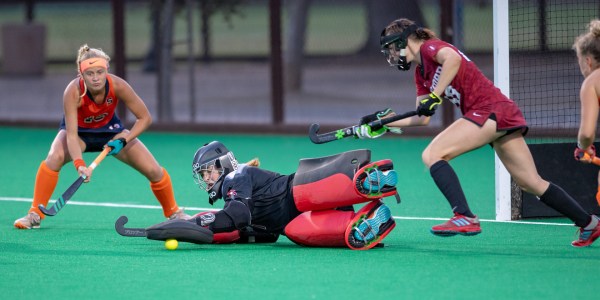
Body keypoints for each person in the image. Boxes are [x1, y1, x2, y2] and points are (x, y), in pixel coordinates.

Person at [355, 18, 600, 247]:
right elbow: (423, 117)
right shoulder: (421, 73)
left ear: (404, 41)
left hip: (489, 110)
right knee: (531, 183)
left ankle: (464, 216)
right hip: (499, 113)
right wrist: (386, 123)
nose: (392, 55)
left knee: (433, 154)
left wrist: (434, 95)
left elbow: (453, 60)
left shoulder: (431, 48)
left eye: (392, 48)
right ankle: (589, 223)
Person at [14, 44, 190, 229]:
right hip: (79, 134)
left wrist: (124, 140)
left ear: (106, 69)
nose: (96, 78)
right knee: (54, 157)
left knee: (154, 170)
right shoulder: (73, 92)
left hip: (111, 133)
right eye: (90, 73)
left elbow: (145, 118)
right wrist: (79, 164)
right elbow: (71, 136)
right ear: (81, 74)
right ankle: (35, 213)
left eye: (100, 72)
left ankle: (174, 212)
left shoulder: (118, 85)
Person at [141, 141, 400, 250]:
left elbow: (238, 215)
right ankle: (371, 220)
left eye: (209, 172)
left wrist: (193, 223)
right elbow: (263, 233)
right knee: (298, 233)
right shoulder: (231, 193)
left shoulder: (237, 175)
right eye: (204, 175)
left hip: (301, 192)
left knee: (303, 194)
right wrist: (192, 232)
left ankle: (366, 180)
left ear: (224, 165)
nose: (207, 179)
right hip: (293, 221)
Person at [574, 20, 600, 207]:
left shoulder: (592, 82)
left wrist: (584, 148)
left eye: (580, 61)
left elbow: (587, 134)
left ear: (588, 61)